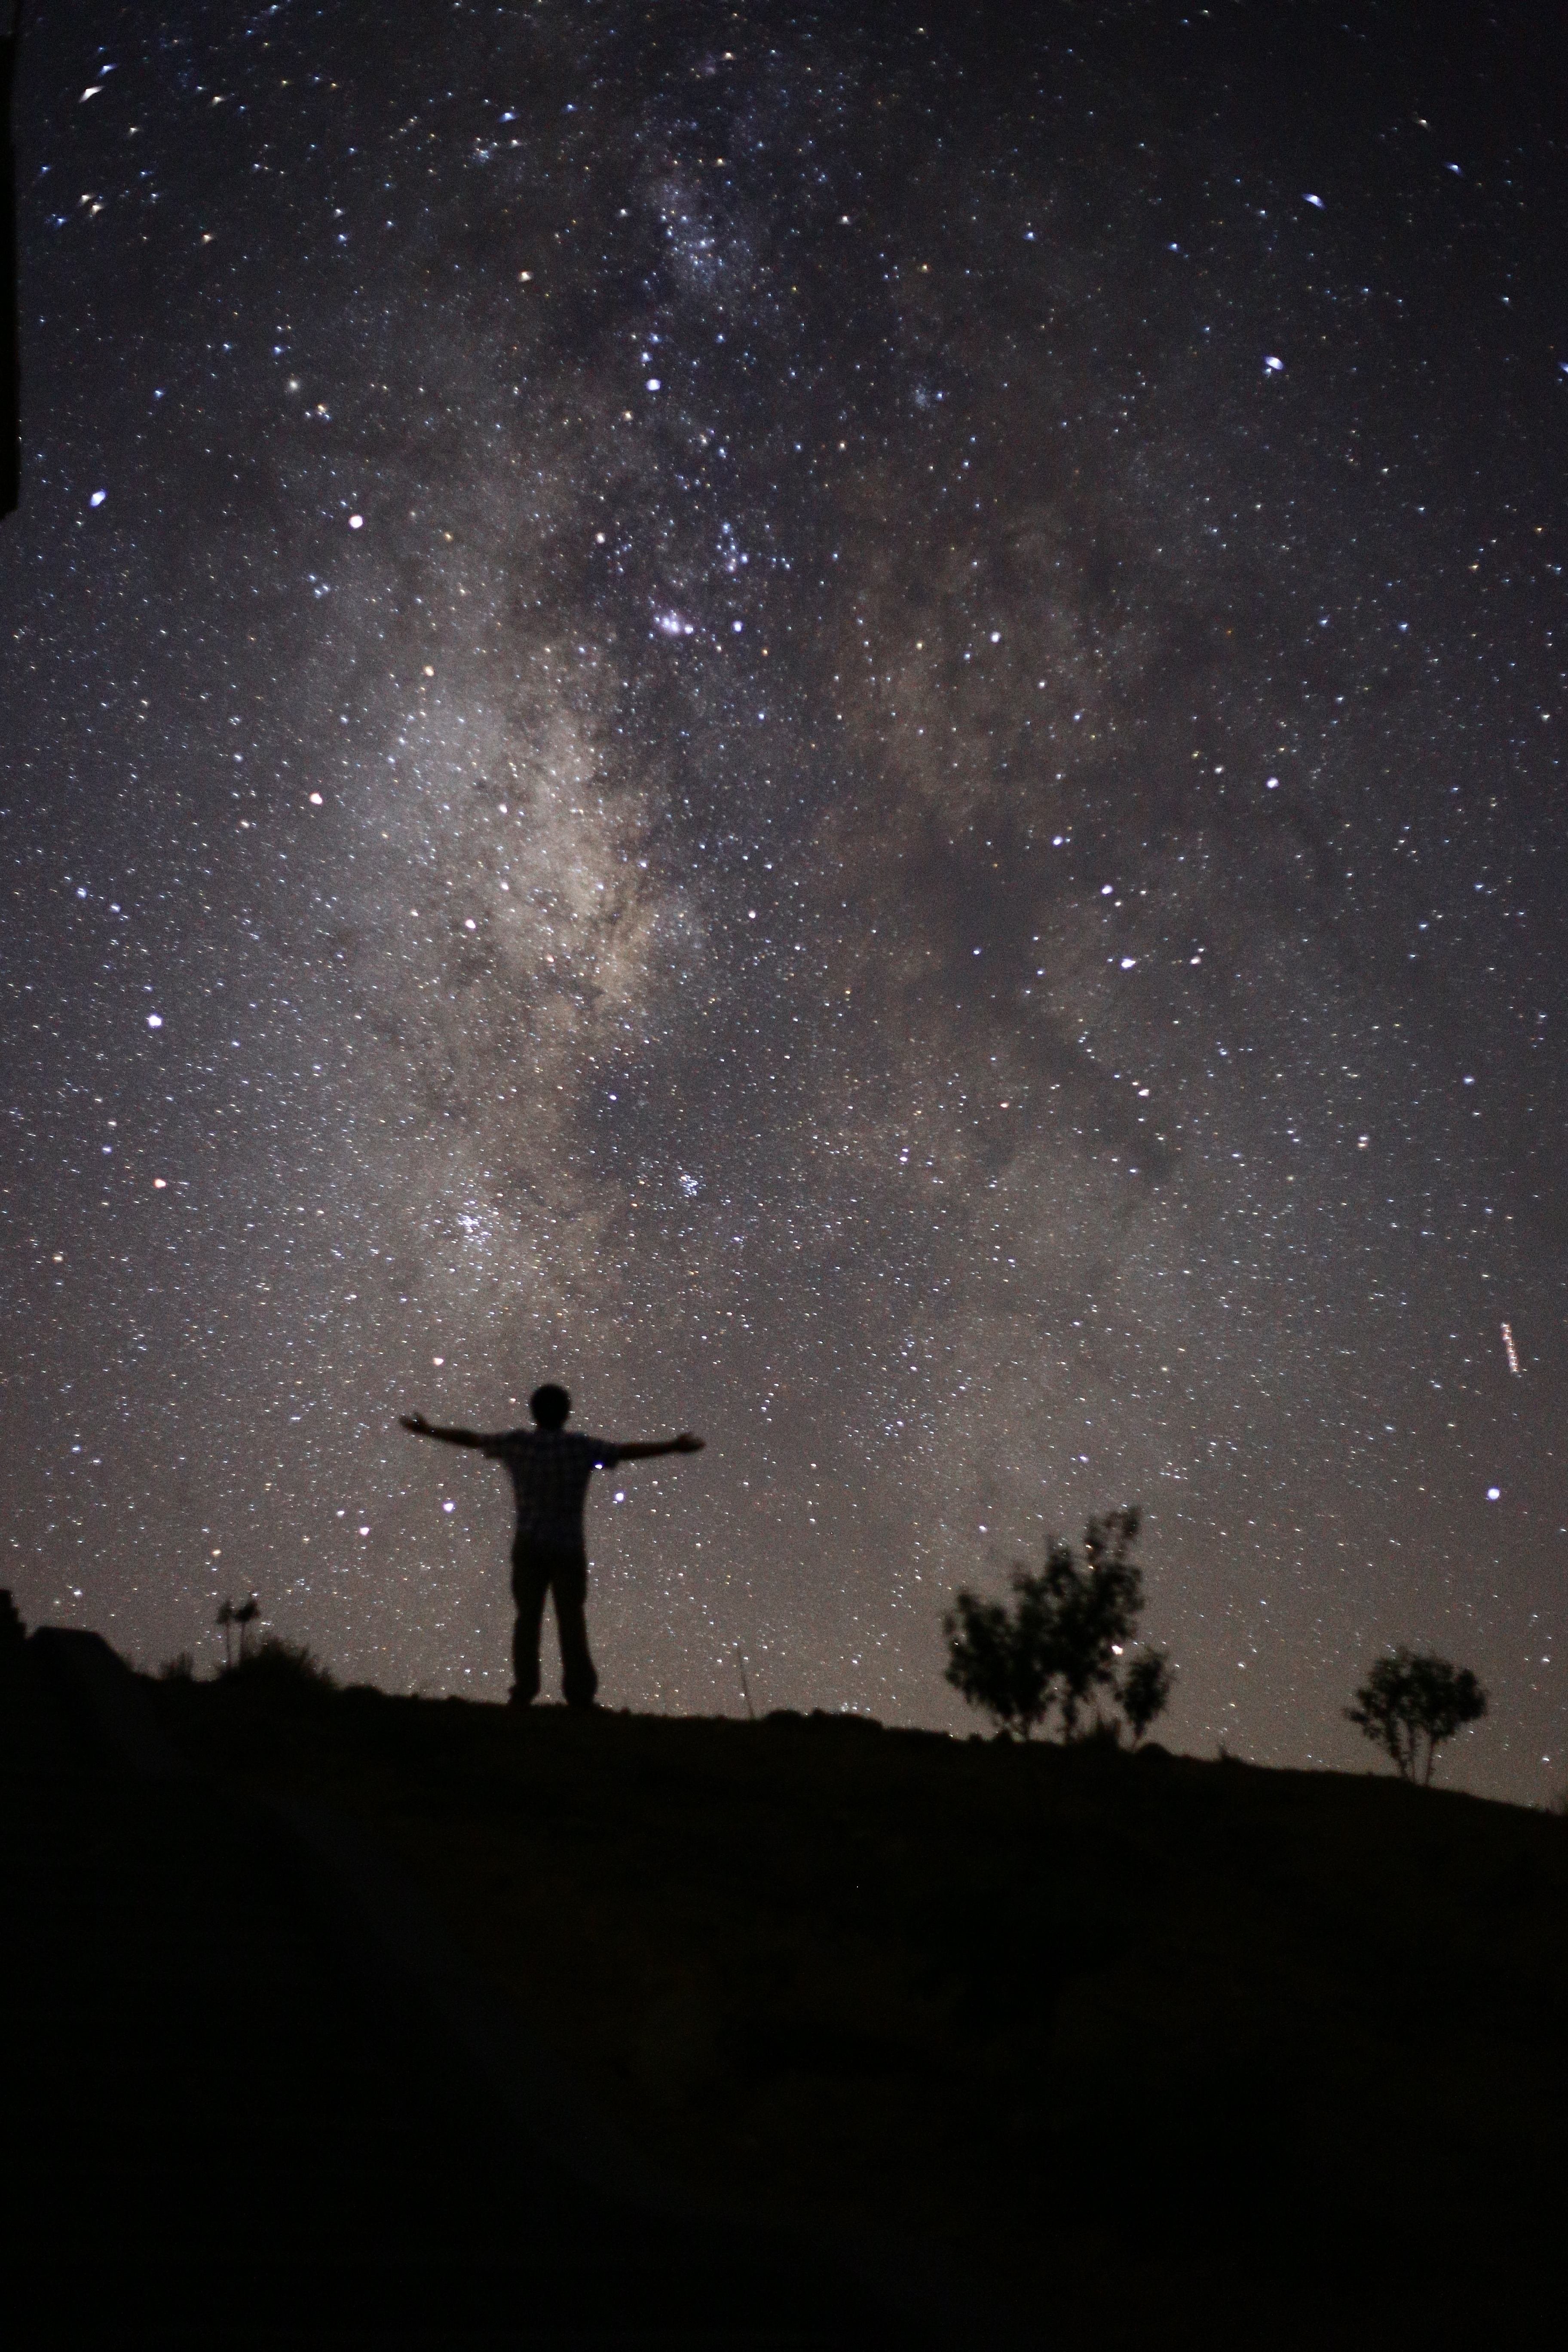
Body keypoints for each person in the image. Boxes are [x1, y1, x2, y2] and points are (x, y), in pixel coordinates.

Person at [400, 1383, 704, 1709]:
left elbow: (471, 1439)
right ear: (566, 1413)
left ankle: (524, 1691)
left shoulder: (517, 1444)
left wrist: (429, 1430)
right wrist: (672, 1446)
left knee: (527, 1619)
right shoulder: (580, 1448)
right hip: (568, 1546)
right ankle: (580, 1695)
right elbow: (623, 1451)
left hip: (529, 1544)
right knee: (571, 1619)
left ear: (534, 1412)